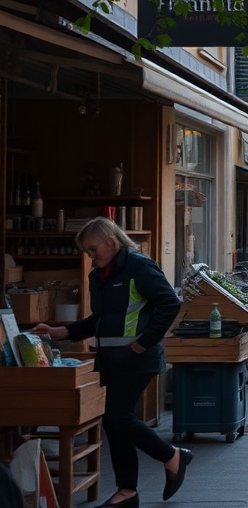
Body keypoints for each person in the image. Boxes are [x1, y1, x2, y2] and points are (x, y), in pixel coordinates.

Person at [31, 216, 189, 507]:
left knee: (119, 418)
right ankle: (127, 491)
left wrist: (142, 344)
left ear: (110, 240)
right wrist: (62, 332)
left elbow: (170, 303)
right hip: (111, 360)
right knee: (115, 423)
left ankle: (171, 456)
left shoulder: (139, 266)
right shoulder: (99, 274)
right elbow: (99, 321)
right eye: (87, 251)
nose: (91, 256)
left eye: (93, 249)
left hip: (136, 359)